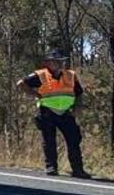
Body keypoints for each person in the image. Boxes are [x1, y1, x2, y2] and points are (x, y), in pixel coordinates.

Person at [16, 49, 90, 179]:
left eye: (61, 61)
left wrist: (78, 107)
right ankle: (51, 167)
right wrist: (35, 94)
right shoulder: (40, 75)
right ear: (49, 63)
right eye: (55, 61)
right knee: (49, 140)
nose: (59, 64)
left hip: (66, 112)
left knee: (74, 140)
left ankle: (78, 170)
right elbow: (21, 83)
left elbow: (79, 93)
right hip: (47, 111)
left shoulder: (70, 75)